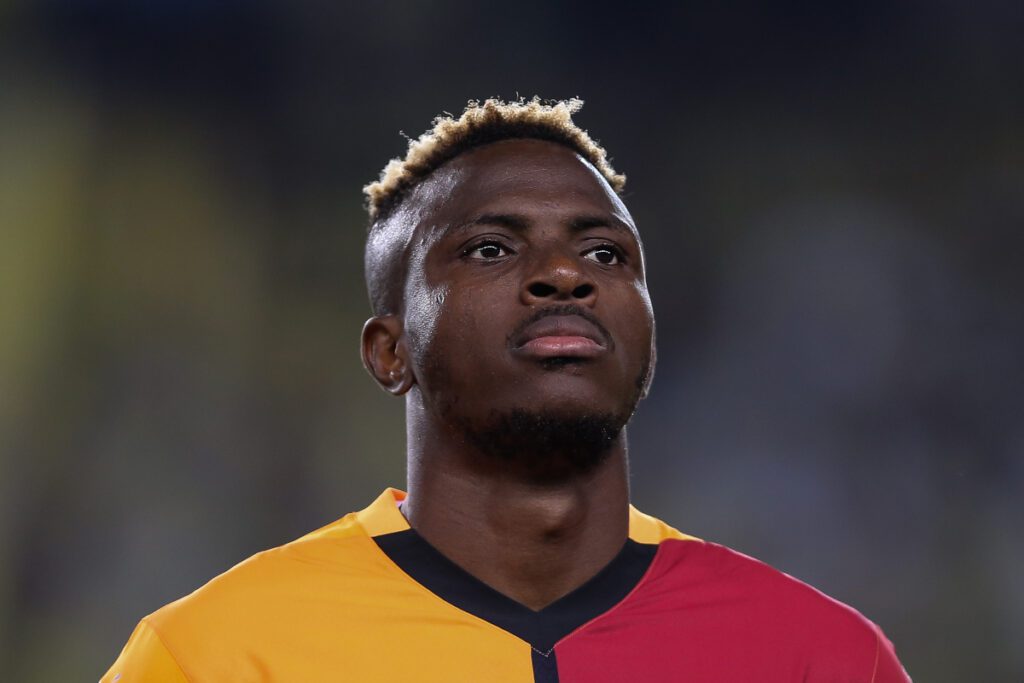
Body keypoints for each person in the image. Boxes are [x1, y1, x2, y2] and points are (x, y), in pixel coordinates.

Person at [102, 98, 911, 682]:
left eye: (606, 255)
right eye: (490, 249)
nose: (565, 274)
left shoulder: (823, 657)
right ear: (391, 352)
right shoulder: (217, 656)